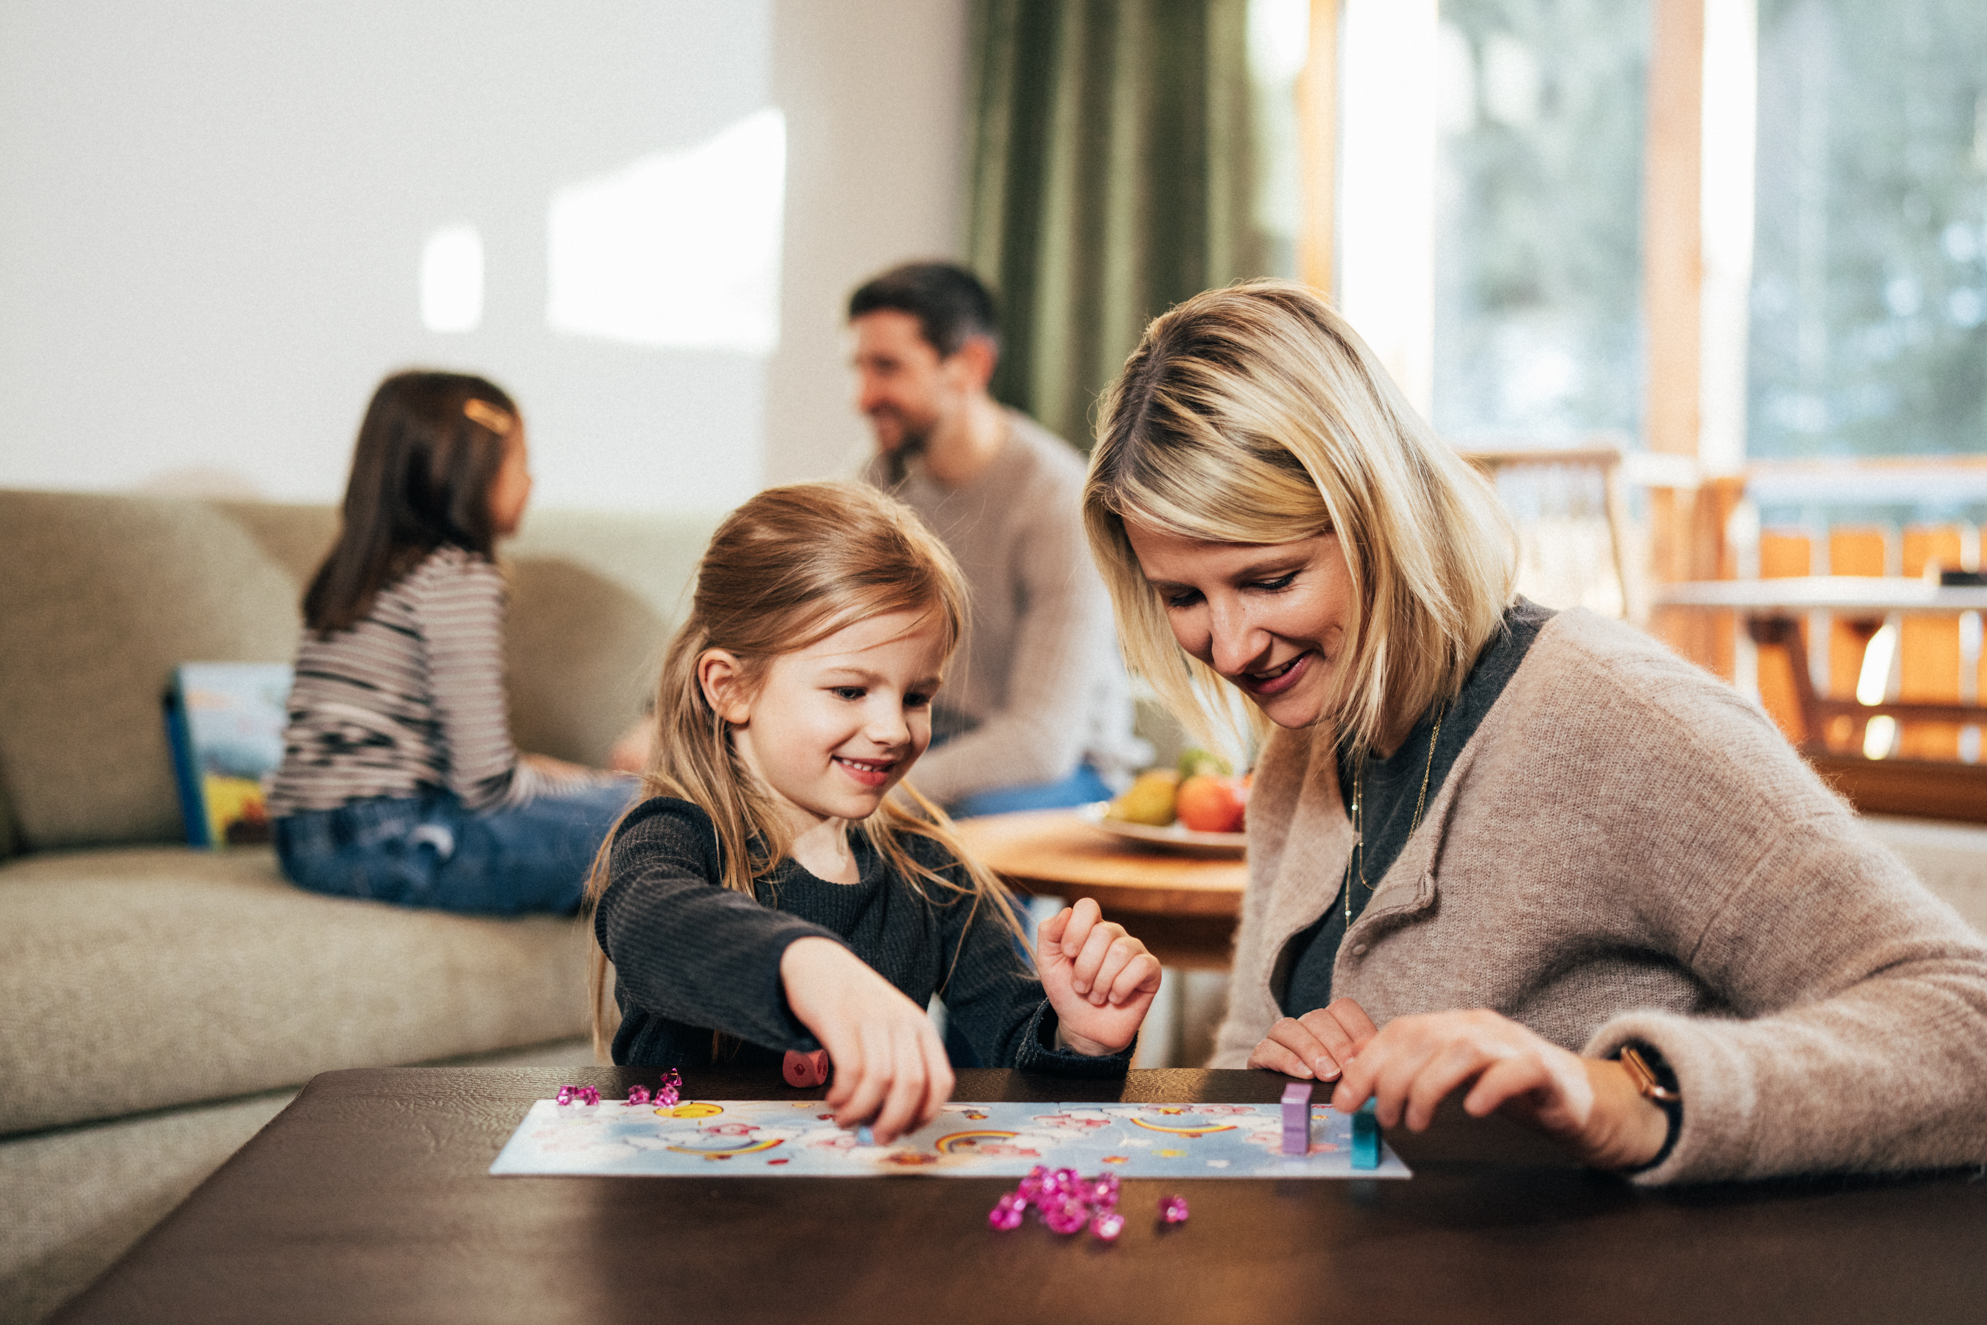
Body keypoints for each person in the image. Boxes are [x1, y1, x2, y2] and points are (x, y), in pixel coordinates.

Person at [1082, 280, 1987, 1183]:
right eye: (1183, 597)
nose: (1230, 646)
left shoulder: (1622, 718)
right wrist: (1292, 1073)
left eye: (1272, 578)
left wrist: (1628, 1095)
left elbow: (1964, 1026)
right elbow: (1254, 1056)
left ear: (1381, 515)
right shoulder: (1305, 743)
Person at [587, 482, 1161, 1141]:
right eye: (850, 689)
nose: (892, 728)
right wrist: (809, 967)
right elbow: (648, 923)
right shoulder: (673, 837)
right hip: (680, 1223)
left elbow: (1021, 1067)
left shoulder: (932, 871)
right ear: (732, 687)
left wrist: (1077, 1039)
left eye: (917, 695)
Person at [267, 371, 635, 914]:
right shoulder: (457, 577)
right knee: (666, 815)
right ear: (468, 472)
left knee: (623, 801)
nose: (532, 481)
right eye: (521, 462)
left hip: (306, 841)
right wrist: (588, 789)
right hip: (394, 842)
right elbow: (487, 788)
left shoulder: (356, 575)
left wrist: (565, 777)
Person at [849, 262, 1148, 819]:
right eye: (861, 368)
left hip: (1065, 770)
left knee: (951, 832)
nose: (864, 396)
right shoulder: (883, 481)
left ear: (969, 366)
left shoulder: (1055, 501)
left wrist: (880, 795)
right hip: (930, 744)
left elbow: (1040, 740)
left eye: (887, 367)